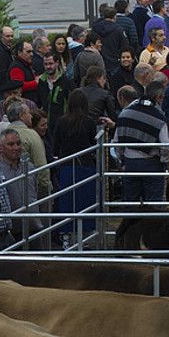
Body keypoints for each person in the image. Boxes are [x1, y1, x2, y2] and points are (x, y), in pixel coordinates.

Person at [50, 90, 102, 245]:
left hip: (66, 168)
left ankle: (66, 239)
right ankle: (85, 239)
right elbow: (93, 146)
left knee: (67, 203)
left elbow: (56, 147)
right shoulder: (89, 122)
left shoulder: (61, 122)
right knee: (86, 202)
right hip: (86, 168)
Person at [112, 79, 169, 202]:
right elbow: (166, 146)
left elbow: (117, 142)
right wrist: (164, 162)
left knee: (130, 202)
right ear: (159, 97)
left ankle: (130, 221)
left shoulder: (125, 112)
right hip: (152, 164)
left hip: (130, 163)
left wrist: (122, 160)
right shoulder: (159, 118)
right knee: (153, 205)